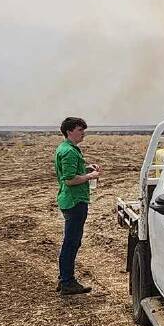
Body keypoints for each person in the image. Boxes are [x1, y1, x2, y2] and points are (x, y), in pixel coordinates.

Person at [55, 116, 100, 295]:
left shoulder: (66, 148)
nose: (83, 134)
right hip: (74, 201)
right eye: (80, 130)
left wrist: (86, 169)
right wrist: (90, 176)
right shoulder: (69, 151)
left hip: (71, 200)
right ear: (69, 131)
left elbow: (72, 173)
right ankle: (67, 281)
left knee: (71, 241)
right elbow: (70, 179)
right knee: (71, 242)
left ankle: (64, 278)